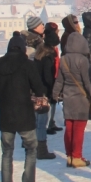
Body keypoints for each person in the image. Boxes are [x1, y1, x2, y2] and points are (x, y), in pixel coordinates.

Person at [0, 33, 47, 182]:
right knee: (31, 148)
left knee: (7, 152)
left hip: (6, 115)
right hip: (25, 114)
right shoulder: (28, 64)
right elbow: (39, 89)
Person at [53, 31, 91, 168]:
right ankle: (77, 156)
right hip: (81, 98)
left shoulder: (64, 59)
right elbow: (87, 82)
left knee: (69, 128)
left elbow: (59, 80)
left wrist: (55, 94)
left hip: (68, 96)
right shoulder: (83, 60)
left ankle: (70, 156)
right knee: (79, 128)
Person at [32, 29, 58, 160]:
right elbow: (48, 77)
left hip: (35, 91)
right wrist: (53, 91)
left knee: (36, 121)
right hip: (43, 92)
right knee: (42, 122)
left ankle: (32, 146)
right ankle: (41, 150)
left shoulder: (38, 55)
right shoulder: (48, 58)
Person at [44, 23, 63, 135]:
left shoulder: (53, 46)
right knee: (50, 100)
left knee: (53, 100)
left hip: (55, 74)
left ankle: (51, 122)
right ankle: (48, 124)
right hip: (52, 76)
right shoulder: (48, 47)